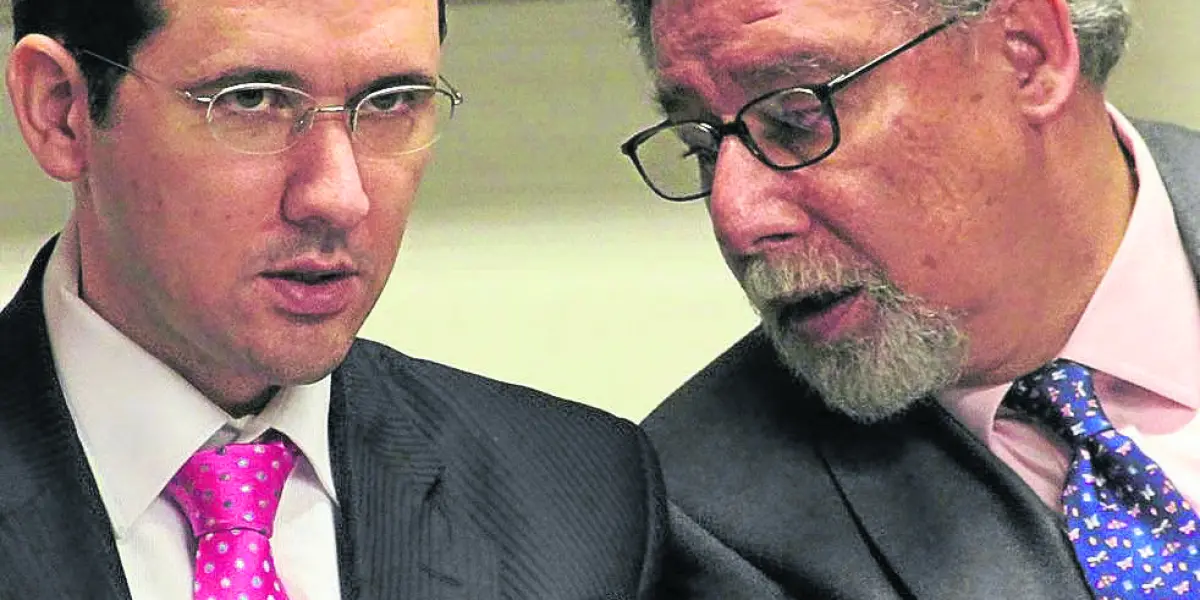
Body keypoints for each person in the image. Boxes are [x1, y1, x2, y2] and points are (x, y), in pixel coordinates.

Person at [0, 0, 666, 598]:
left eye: (391, 102)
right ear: (61, 111)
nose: (339, 196)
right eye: (252, 100)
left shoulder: (577, 502)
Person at [615, 0, 1200, 596]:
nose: (737, 220)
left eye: (797, 117)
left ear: (1028, 53)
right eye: (701, 149)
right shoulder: (700, 522)